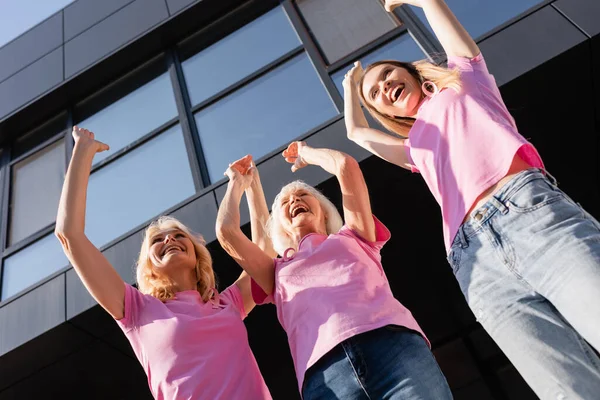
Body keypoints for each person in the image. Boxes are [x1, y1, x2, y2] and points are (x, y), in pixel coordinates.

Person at [343, 0, 600, 397]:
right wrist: (350, 89)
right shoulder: (415, 147)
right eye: (374, 93)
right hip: (475, 265)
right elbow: (357, 134)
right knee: (567, 390)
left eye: (388, 75)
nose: (384, 87)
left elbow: (437, 10)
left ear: (412, 74)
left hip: (529, 215)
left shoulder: (464, 81)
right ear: (383, 111)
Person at [216, 145, 452, 399]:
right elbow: (227, 232)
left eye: (303, 194)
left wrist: (307, 153)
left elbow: (346, 166)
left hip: (393, 349)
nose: (294, 200)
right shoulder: (275, 271)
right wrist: (238, 183)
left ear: (323, 208)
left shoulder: (355, 236)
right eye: (285, 202)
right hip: (325, 377)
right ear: (279, 227)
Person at [55, 126, 271, 400]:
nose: (169, 239)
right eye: (158, 240)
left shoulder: (229, 304)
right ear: (149, 266)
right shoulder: (137, 311)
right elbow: (69, 234)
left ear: (197, 255)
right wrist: (82, 151)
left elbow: (264, 251)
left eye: (179, 235)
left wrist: (246, 185)